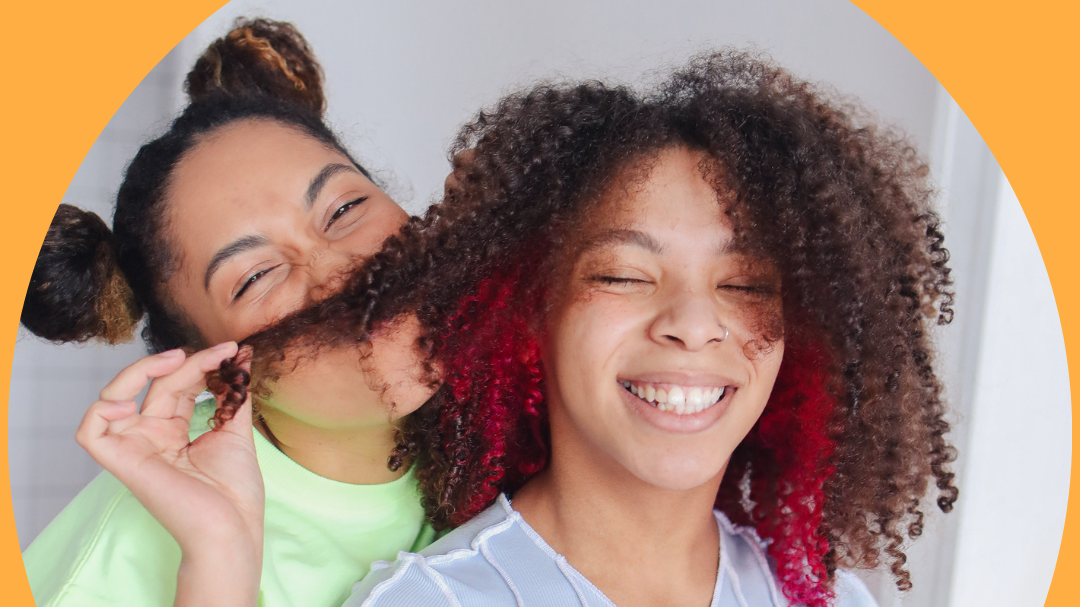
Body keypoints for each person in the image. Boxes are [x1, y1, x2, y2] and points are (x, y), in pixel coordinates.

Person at [82, 50, 959, 607]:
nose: (695, 322)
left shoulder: (826, 591)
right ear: (527, 297)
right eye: (620, 272)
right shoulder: (416, 590)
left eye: (746, 282)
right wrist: (220, 559)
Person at [20, 18, 436, 607]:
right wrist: (219, 558)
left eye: (344, 208)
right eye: (256, 276)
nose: (337, 270)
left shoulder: (494, 403)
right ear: (211, 368)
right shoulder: (113, 566)